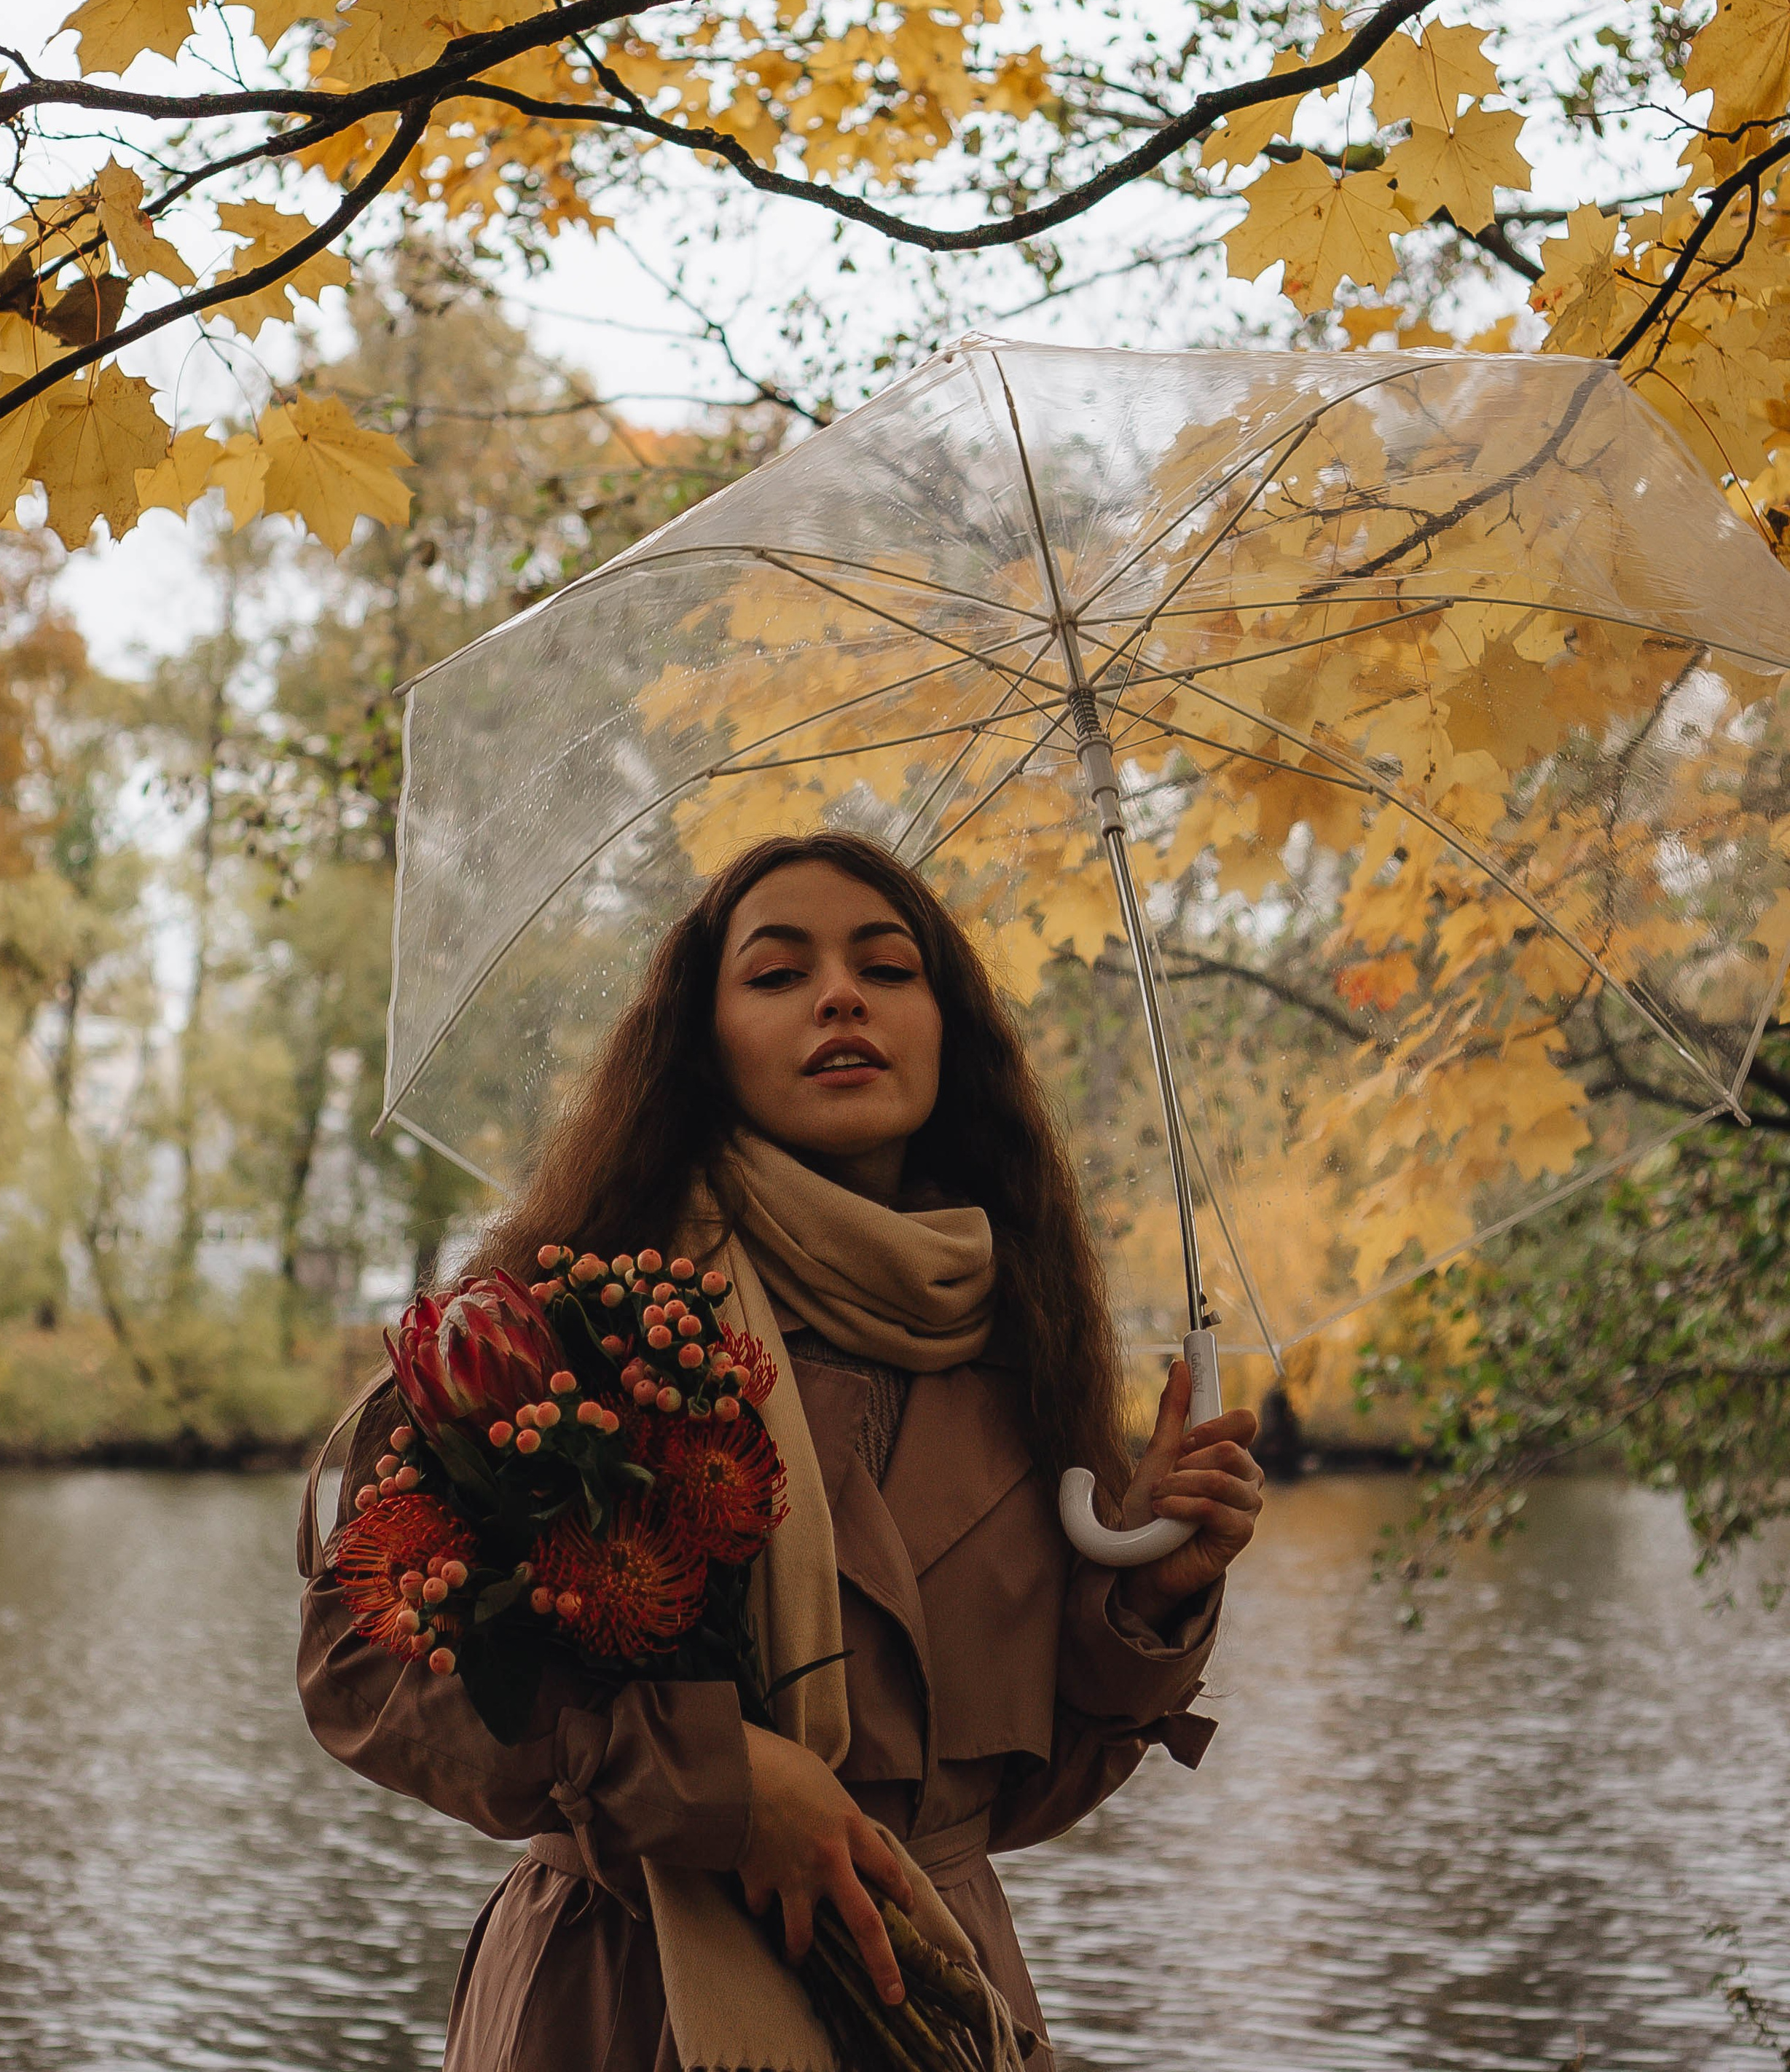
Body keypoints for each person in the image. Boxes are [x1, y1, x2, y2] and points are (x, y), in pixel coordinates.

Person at [299, 831, 1263, 2071]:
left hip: (930, 2001)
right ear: (702, 1047)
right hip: (617, 1995)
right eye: (776, 974)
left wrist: (1147, 1598)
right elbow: (360, 1670)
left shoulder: (1030, 1352)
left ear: (948, 1028)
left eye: (888, 967)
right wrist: (718, 1787)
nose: (842, 996)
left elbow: (1013, 1795)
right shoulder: (566, 1316)